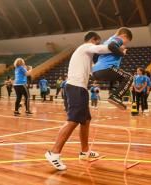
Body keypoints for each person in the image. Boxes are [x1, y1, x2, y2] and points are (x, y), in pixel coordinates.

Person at [45, 31, 125, 171]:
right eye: (98, 42)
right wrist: (121, 51)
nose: (98, 44)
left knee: (86, 120)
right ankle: (54, 153)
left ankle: (85, 152)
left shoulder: (86, 56)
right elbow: (104, 48)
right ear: (93, 40)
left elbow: (94, 72)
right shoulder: (86, 47)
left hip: (80, 88)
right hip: (75, 87)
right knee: (73, 120)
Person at [92, 27, 133, 110]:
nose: (124, 44)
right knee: (129, 77)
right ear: (124, 36)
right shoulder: (118, 39)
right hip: (106, 68)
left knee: (118, 76)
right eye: (126, 42)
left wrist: (119, 49)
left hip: (96, 71)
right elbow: (112, 46)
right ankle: (115, 96)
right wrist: (122, 53)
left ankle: (112, 93)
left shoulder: (107, 40)